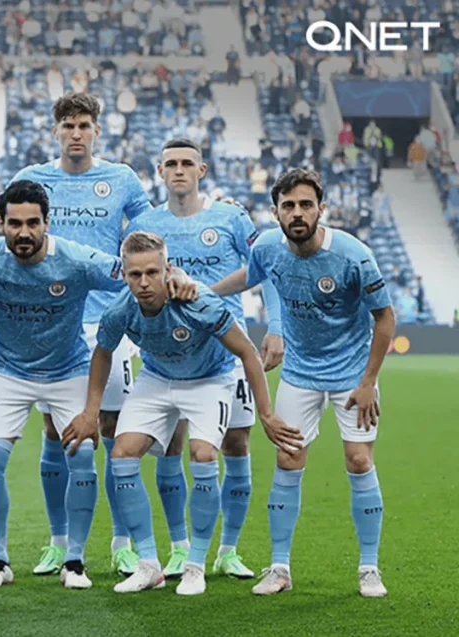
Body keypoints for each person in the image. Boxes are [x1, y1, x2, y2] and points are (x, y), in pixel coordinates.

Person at [0, 180, 194, 590]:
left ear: (47, 222)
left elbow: (134, 272)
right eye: (14, 224)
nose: (23, 232)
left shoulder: (77, 260)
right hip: (9, 372)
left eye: (32, 223)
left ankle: (74, 561)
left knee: (81, 458)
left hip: (68, 371)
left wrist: (177, 273)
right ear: (1, 224)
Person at [66, 230, 291, 596]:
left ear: (167, 269)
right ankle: (148, 565)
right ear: (125, 274)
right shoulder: (121, 310)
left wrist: (266, 413)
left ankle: (195, 565)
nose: (143, 282)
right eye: (134, 274)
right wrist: (91, 412)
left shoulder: (199, 301)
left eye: (151, 273)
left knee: (203, 455)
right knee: (121, 454)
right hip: (157, 377)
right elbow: (102, 353)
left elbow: (247, 352)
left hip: (209, 379)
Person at [211, 168, 395, 598]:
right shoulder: (268, 247)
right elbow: (250, 275)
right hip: (299, 372)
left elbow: (385, 318)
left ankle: (369, 568)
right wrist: (205, 292)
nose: (297, 213)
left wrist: (369, 381)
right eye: (288, 205)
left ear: (321, 209)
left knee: (359, 461)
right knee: (288, 460)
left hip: (352, 374)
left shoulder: (353, 255)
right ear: (276, 211)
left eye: (306, 205)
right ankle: (279, 568)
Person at [124, 138, 284, 580]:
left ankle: (228, 550)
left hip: (225, 351)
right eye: (171, 164)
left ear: (202, 170)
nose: (179, 170)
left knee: (236, 445)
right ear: (160, 172)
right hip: (168, 354)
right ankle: (179, 548)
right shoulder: (145, 224)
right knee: (170, 447)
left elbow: (263, 268)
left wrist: (275, 326)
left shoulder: (230, 216)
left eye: (187, 163)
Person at [8, 92, 152, 577]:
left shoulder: (121, 178)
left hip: (110, 321)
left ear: (96, 131)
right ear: (55, 131)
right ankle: (58, 541)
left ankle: (121, 542)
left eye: (84, 125)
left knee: (113, 431)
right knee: (56, 432)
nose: (76, 133)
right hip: (54, 324)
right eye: (68, 125)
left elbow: (153, 230)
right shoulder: (33, 180)